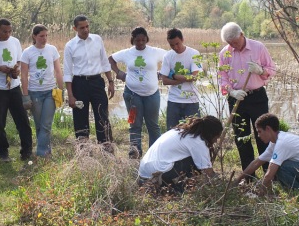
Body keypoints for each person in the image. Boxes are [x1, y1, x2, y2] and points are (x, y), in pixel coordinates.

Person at [218, 22, 276, 178]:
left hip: (257, 97)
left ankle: (269, 175)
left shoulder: (258, 47)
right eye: (230, 43)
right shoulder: (225, 53)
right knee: (241, 137)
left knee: (263, 136)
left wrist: (260, 70)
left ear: (242, 34)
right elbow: (222, 78)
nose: (234, 46)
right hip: (237, 99)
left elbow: (272, 69)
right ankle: (249, 177)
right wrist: (232, 91)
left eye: (235, 42)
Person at [233, 113, 299, 195]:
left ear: (268, 129)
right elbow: (256, 163)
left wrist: (261, 193)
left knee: (280, 167)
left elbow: (269, 174)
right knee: (279, 166)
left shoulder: (282, 143)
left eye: (259, 131)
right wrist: (236, 181)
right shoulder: (275, 142)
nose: (258, 135)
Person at [0, 19, 33, 162]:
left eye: (10, 31)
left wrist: (16, 70)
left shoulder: (15, 41)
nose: (7, 34)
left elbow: (19, 61)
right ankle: (3, 153)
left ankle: (27, 151)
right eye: (4, 31)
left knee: (22, 120)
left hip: (15, 87)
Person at [109, 26, 166, 158]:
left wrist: (163, 73)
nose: (140, 43)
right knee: (134, 124)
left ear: (147, 39)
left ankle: (155, 154)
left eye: (143, 40)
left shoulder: (155, 52)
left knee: (153, 125)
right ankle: (135, 153)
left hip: (152, 95)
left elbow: (170, 58)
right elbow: (110, 59)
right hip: (132, 96)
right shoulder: (127, 53)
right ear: (133, 40)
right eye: (137, 40)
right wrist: (119, 73)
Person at [63, 15, 115, 145]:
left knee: (102, 115)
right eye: (82, 28)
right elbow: (68, 72)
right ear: (75, 28)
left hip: (97, 82)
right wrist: (70, 95)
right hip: (79, 84)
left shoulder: (97, 39)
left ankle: (106, 146)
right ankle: (84, 150)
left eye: (87, 26)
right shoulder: (70, 46)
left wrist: (110, 81)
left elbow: (104, 61)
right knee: (80, 118)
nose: (85, 30)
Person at [138, 115, 222, 192]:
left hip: (143, 175)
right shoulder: (198, 142)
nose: (216, 141)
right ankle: (175, 188)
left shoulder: (180, 131)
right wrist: (221, 184)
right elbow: (207, 172)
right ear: (211, 134)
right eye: (216, 137)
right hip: (157, 175)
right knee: (193, 164)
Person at [21, 24, 64, 158]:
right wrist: (25, 95)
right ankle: (47, 150)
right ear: (34, 36)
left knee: (46, 124)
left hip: (50, 92)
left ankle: (40, 153)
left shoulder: (52, 50)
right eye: (41, 36)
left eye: (46, 35)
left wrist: (61, 90)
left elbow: (58, 70)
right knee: (39, 125)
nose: (44, 38)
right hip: (35, 92)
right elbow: (24, 75)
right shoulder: (27, 52)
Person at [159, 28, 203, 131]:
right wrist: (184, 78)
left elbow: (194, 77)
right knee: (172, 132)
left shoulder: (194, 53)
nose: (175, 47)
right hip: (174, 100)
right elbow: (164, 80)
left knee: (195, 131)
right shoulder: (168, 56)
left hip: (191, 99)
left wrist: (174, 76)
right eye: (172, 45)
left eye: (177, 44)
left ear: (182, 39)